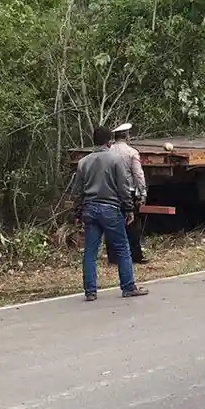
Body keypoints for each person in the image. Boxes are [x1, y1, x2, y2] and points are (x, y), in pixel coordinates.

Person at [74, 126, 148, 302]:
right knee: (122, 248)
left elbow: (77, 191)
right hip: (110, 209)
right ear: (109, 142)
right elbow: (123, 187)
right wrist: (129, 208)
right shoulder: (115, 160)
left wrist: (77, 213)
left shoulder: (83, 162)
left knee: (90, 251)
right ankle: (128, 287)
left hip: (90, 209)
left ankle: (90, 291)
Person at [106, 122, 147, 266]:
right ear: (126, 136)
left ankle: (113, 257)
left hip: (111, 193)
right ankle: (136, 255)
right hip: (128, 193)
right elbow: (138, 175)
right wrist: (142, 192)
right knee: (133, 224)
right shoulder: (131, 152)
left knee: (112, 224)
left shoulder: (108, 152)